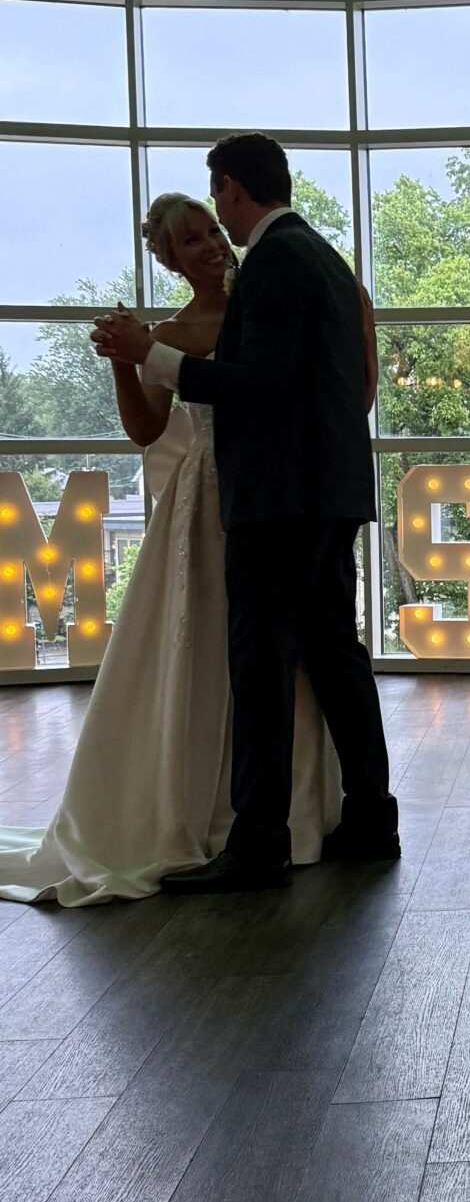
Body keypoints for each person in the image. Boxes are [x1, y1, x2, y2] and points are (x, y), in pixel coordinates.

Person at [0, 194, 343, 904]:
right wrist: (123, 362)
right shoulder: (171, 332)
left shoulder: (266, 297)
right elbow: (147, 431)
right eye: (190, 241)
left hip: (270, 496)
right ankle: (202, 810)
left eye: (212, 229)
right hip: (202, 501)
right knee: (205, 646)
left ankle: (287, 814)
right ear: (169, 259)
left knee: (274, 655)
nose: (211, 245)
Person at [91, 134, 399, 893]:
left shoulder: (274, 261)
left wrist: (149, 354)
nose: (215, 229)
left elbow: (258, 386)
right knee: (335, 656)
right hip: (326, 493)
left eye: (214, 205)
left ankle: (259, 844)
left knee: (261, 667)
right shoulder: (324, 257)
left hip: (277, 499)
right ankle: (370, 817)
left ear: (231, 188)